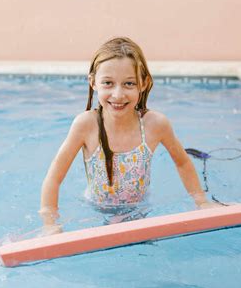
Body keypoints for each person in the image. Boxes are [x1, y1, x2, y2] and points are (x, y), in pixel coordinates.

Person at [39, 37, 221, 235]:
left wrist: (201, 202)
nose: (118, 94)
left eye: (129, 84)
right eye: (108, 83)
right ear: (93, 82)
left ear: (143, 83)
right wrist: (50, 224)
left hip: (139, 209)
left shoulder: (155, 125)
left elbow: (183, 162)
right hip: (96, 210)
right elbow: (54, 178)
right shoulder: (86, 125)